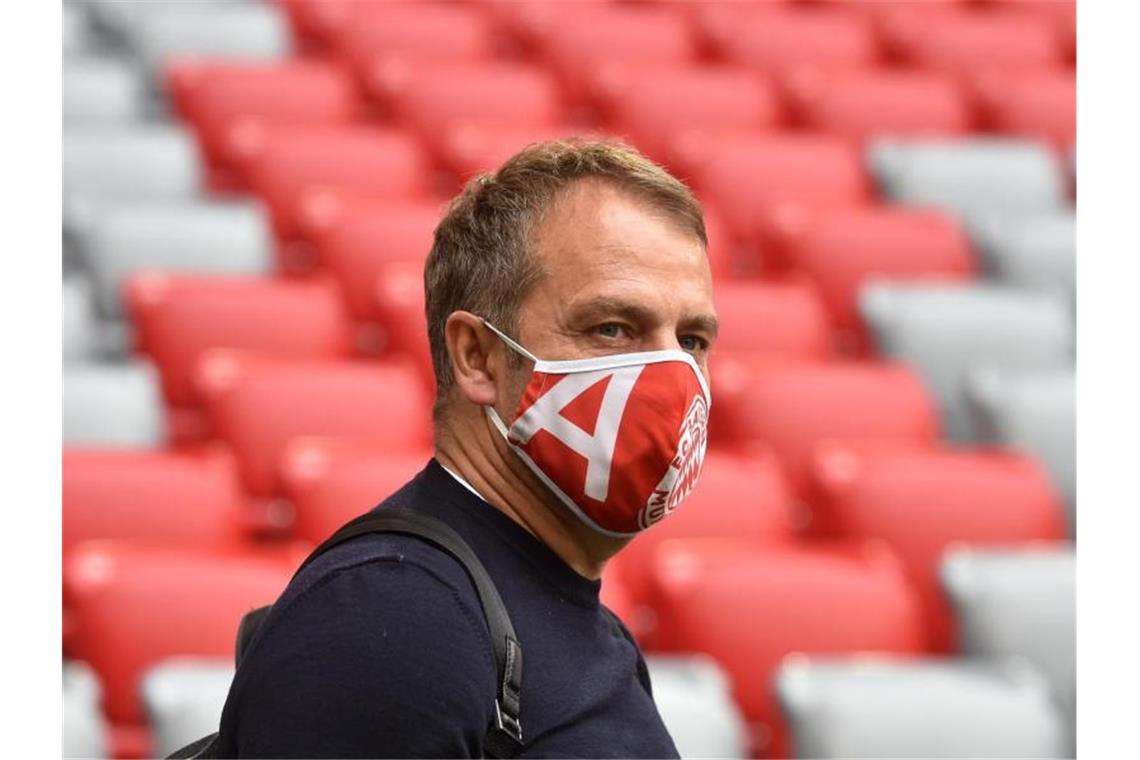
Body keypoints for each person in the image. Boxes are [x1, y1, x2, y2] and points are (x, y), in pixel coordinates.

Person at [215, 138, 718, 758]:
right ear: (477, 357)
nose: (670, 376)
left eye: (692, 340)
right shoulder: (394, 614)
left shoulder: (578, 622)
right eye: (611, 328)